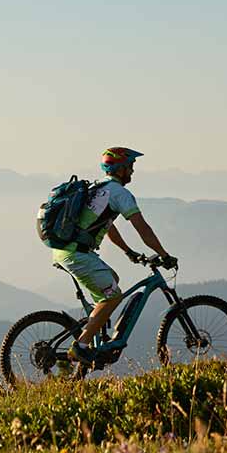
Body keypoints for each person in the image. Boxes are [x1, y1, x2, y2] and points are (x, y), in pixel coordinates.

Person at [54, 148, 177, 364]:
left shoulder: (98, 188)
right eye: (130, 167)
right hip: (78, 255)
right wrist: (164, 254)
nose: (132, 171)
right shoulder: (120, 193)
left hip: (66, 250)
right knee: (113, 296)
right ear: (120, 169)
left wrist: (128, 251)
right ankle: (81, 346)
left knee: (113, 280)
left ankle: (93, 327)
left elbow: (107, 226)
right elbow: (143, 228)